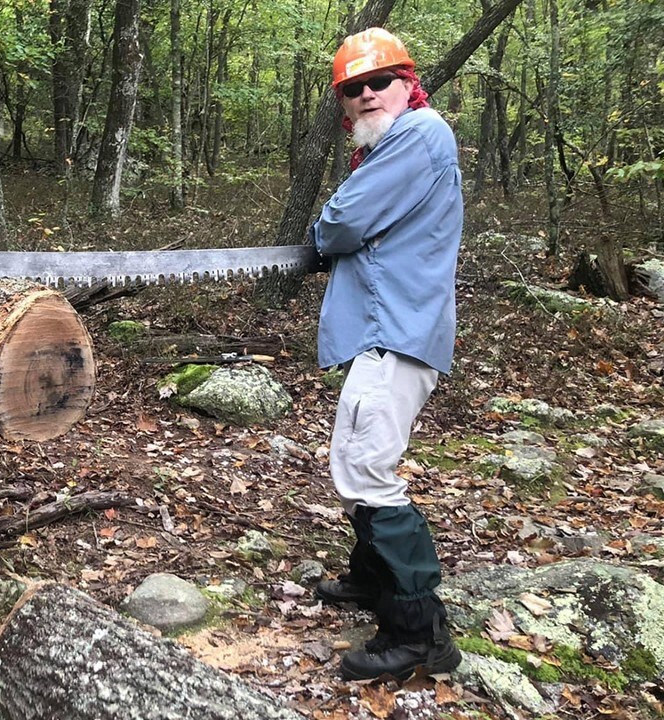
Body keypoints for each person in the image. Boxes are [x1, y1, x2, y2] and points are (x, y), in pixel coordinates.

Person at [309, 28, 463, 681]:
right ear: (344, 102)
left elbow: (343, 221)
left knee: (367, 466)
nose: (368, 94)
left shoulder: (420, 134)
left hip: (396, 332)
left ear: (408, 83)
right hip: (387, 329)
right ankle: (373, 583)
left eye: (380, 82)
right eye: (354, 88)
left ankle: (419, 634)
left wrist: (320, 239)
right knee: (358, 459)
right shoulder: (393, 143)